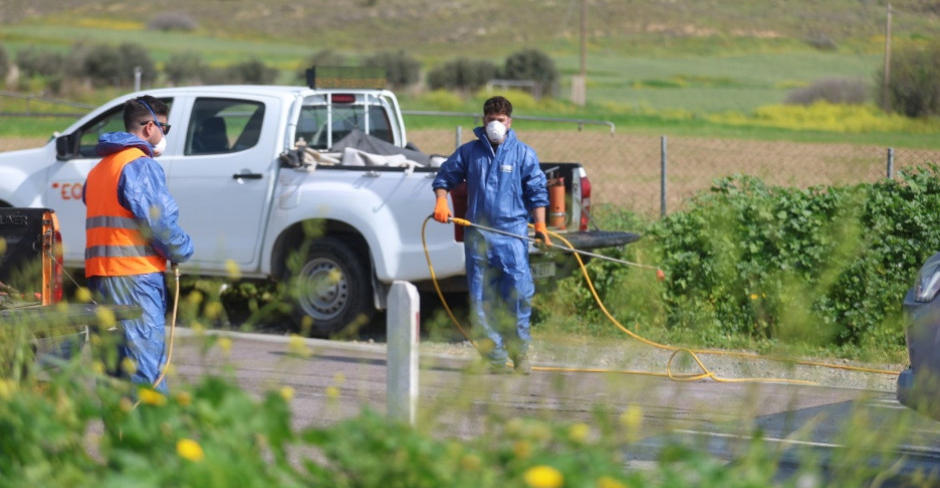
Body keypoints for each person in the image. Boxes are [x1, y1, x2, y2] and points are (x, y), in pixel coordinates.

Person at [432, 95, 550, 374]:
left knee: (518, 297)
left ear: (509, 122)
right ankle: (494, 359)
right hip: (479, 238)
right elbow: (444, 177)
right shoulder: (469, 153)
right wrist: (440, 200)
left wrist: (541, 227)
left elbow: (537, 192)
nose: (494, 125)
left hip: (513, 237)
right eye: (490, 120)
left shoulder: (524, 154)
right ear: (483, 120)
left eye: (499, 120)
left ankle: (519, 354)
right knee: (482, 300)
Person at [83, 95, 193, 393]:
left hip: (100, 281)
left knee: (112, 374)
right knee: (146, 374)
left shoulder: (100, 169)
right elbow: (161, 225)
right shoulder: (139, 166)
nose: (163, 135)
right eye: (164, 128)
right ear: (149, 128)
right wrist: (183, 249)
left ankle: (117, 439)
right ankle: (153, 440)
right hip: (135, 282)